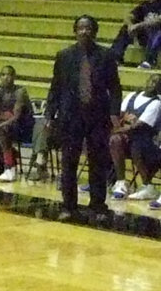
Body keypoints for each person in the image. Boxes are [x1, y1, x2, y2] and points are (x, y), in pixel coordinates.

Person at [43, 14, 122, 222]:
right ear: (75, 31)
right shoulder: (64, 56)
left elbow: (115, 88)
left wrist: (114, 113)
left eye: (88, 28)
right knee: (69, 163)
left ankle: (98, 206)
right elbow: (56, 87)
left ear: (94, 31)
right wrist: (50, 114)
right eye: (80, 28)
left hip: (98, 117)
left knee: (98, 163)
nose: (84, 31)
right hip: (70, 117)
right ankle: (68, 207)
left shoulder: (106, 56)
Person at [109, 74, 161, 201]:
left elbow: (136, 126)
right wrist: (117, 128)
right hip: (125, 138)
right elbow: (118, 115)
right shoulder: (132, 95)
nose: (153, 84)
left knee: (135, 144)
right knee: (109, 140)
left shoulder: (156, 103)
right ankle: (120, 182)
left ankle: (147, 185)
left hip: (143, 140)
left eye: (157, 83)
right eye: (152, 81)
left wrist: (118, 130)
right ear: (146, 81)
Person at [108, 0, 161, 68]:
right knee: (125, 29)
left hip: (157, 37)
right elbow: (129, 16)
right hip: (145, 36)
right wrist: (130, 26)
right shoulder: (144, 5)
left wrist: (138, 25)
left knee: (158, 32)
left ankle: (149, 61)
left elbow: (158, 21)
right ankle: (115, 57)